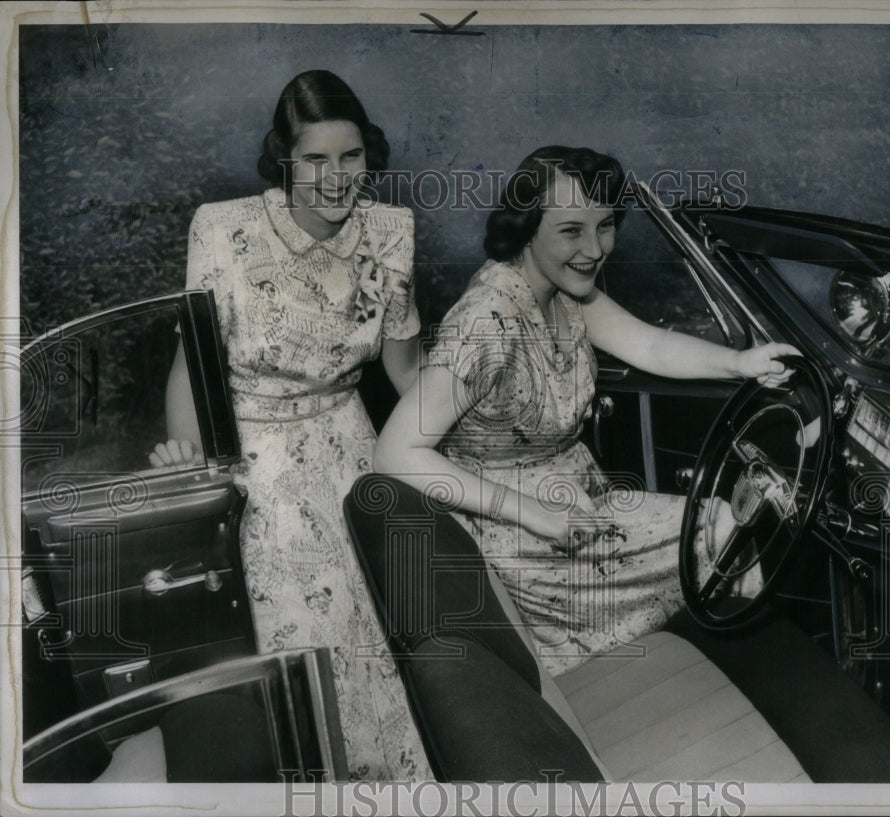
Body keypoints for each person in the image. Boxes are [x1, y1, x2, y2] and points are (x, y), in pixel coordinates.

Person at [374, 146, 798, 676]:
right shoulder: (487, 320)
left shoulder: (564, 291)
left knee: (724, 531)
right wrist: (537, 514)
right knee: (718, 528)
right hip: (525, 540)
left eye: (605, 227)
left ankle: (726, 693)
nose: (594, 249)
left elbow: (648, 346)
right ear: (527, 227)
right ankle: (736, 687)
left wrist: (740, 363)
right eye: (571, 230)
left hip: (581, 510)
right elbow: (394, 454)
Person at [151, 70, 430, 780]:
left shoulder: (391, 233)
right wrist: (194, 463)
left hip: (357, 451)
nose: (336, 178)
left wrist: (478, 433)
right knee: (310, 655)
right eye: (315, 160)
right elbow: (191, 364)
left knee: (403, 642)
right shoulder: (223, 230)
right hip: (260, 466)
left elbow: (406, 372)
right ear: (284, 157)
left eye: (350, 157)